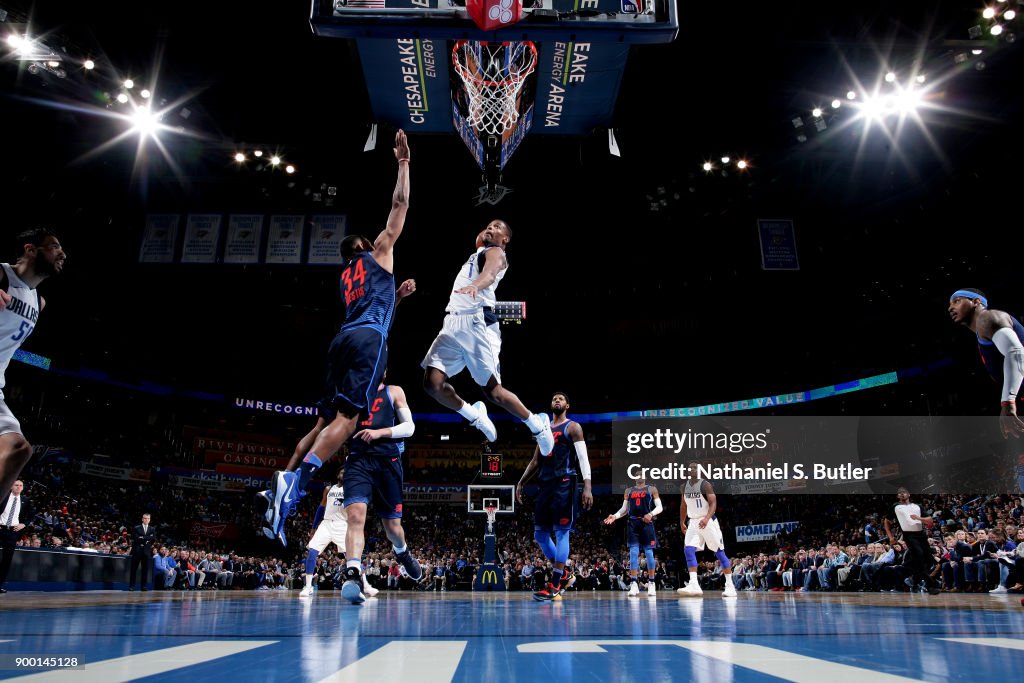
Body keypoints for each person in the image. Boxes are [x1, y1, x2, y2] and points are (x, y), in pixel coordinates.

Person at [264, 130, 411, 545]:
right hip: (367, 340)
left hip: (342, 340)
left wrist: (395, 297)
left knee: (325, 419)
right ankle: (298, 483)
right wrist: (403, 163)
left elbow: (372, 308)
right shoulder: (379, 249)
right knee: (347, 422)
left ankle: (286, 476)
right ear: (365, 245)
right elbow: (399, 205)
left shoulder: (346, 275)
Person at [421, 220, 554, 454]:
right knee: (432, 384)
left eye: (496, 226)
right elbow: (480, 240)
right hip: (453, 322)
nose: (490, 228)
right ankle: (475, 416)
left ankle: (538, 427)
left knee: (494, 392)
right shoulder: (480, 251)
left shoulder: (496, 253)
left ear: (506, 239)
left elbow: (489, 275)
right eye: (488, 225)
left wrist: (475, 285)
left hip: (477, 322)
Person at [339, 378, 419, 604]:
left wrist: (379, 432)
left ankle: (402, 552)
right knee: (355, 516)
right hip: (358, 461)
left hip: (388, 463)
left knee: (392, 528)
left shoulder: (394, 391)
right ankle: (353, 574)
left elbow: (409, 427)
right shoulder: (352, 391)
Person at [0, 229, 66, 498]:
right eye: (54, 246)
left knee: (19, 450)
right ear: (30, 250)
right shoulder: (2, 275)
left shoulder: (39, 303)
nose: (63, 253)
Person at [515, 391, 593, 602]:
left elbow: (583, 458)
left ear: (567, 405)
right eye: (554, 399)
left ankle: (555, 584)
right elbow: (535, 461)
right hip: (545, 485)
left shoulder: (573, 427)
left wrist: (587, 486)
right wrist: (521, 482)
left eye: (561, 399)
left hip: (565, 484)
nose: (556, 400)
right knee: (540, 535)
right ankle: (565, 574)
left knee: (561, 533)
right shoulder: (543, 429)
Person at [948, 289, 1024, 488]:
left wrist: (1008, 402)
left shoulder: (988, 318)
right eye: (949, 304)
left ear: (975, 302)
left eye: (956, 301)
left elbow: (1016, 352)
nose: (951, 307)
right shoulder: (983, 331)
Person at [299, 466, 378, 599]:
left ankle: (366, 585)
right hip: (326, 524)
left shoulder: (351, 490)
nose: (344, 474)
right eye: (342, 472)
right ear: (337, 475)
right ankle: (308, 586)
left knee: (352, 556)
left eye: (346, 473)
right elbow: (321, 507)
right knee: (312, 552)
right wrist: (313, 527)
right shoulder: (329, 489)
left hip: (343, 525)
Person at [678, 463, 737, 597]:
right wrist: (682, 522)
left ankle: (730, 585)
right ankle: (694, 584)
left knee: (719, 552)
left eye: (695, 468)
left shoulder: (705, 485)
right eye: (690, 467)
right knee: (688, 549)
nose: (692, 469)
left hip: (708, 521)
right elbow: (683, 505)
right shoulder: (684, 486)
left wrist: (706, 518)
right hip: (693, 521)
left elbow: (713, 503)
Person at [604, 476, 660, 597]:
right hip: (633, 523)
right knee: (633, 553)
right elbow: (624, 509)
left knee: (649, 553)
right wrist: (615, 516)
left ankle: (651, 583)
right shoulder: (628, 490)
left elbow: (659, 507)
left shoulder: (652, 489)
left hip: (646, 522)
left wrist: (651, 514)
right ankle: (634, 583)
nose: (640, 475)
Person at [884, 487, 940, 595]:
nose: (902, 494)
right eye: (899, 493)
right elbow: (886, 521)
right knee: (918, 556)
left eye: (904, 492)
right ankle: (930, 585)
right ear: (897, 496)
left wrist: (919, 518)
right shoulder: (896, 507)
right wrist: (890, 536)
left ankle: (914, 579)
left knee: (927, 559)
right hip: (909, 535)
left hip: (921, 534)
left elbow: (930, 521)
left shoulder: (917, 506)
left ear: (909, 494)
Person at [0, 480, 32, 593]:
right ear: (10, 487)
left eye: (21, 485)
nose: (18, 487)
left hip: (12, 532)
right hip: (0, 527)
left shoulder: (25, 501)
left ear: (23, 488)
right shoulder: (3, 496)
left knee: (7, 559)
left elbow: (31, 515)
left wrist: (23, 524)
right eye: (16, 485)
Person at [128, 512, 156, 591]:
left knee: (145, 570)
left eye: (148, 518)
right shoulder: (137, 528)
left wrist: (142, 538)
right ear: (142, 519)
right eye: (145, 518)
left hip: (146, 552)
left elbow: (153, 539)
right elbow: (136, 538)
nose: (146, 520)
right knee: (133, 569)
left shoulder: (152, 529)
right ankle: (132, 586)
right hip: (137, 551)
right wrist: (147, 538)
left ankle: (144, 586)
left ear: (150, 520)